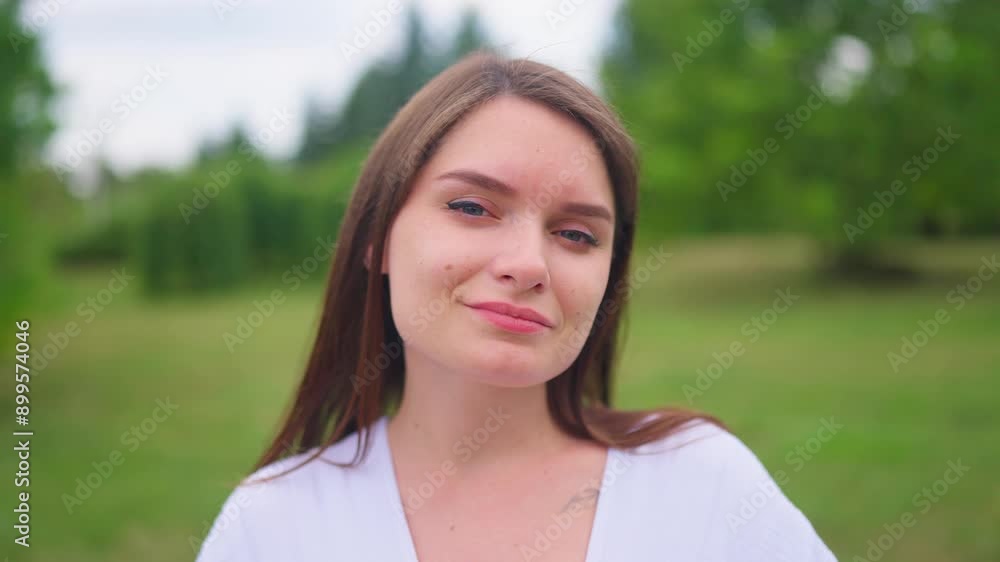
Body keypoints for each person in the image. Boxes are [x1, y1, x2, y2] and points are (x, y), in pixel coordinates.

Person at [196, 51, 837, 562]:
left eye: (577, 234)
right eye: (473, 207)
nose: (529, 264)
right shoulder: (273, 524)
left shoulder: (706, 486)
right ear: (376, 237)